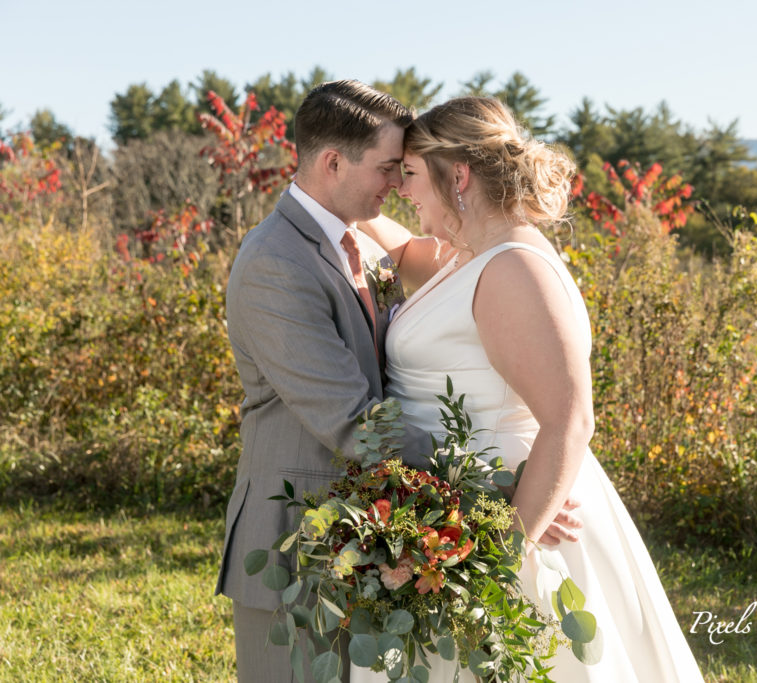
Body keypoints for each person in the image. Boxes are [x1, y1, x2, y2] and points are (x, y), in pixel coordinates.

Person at [215, 81, 583, 683]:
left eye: (408, 170)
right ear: (333, 163)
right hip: (300, 549)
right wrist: (500, 491)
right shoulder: (275, 265)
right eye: (389, 168)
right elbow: (355, 422)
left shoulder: (361, 243)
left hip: (393, 537)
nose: (397, 185)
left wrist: (522, 493)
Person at [358, 96, 705, 681]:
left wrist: (501, 552)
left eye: (411, 174)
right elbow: (392, 246)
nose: (401, 190)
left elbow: (570, 420)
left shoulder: (514, 268)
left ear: (458, 175)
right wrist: (325, 180)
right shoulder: (468, 255)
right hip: (451, 506)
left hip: (511, 512)